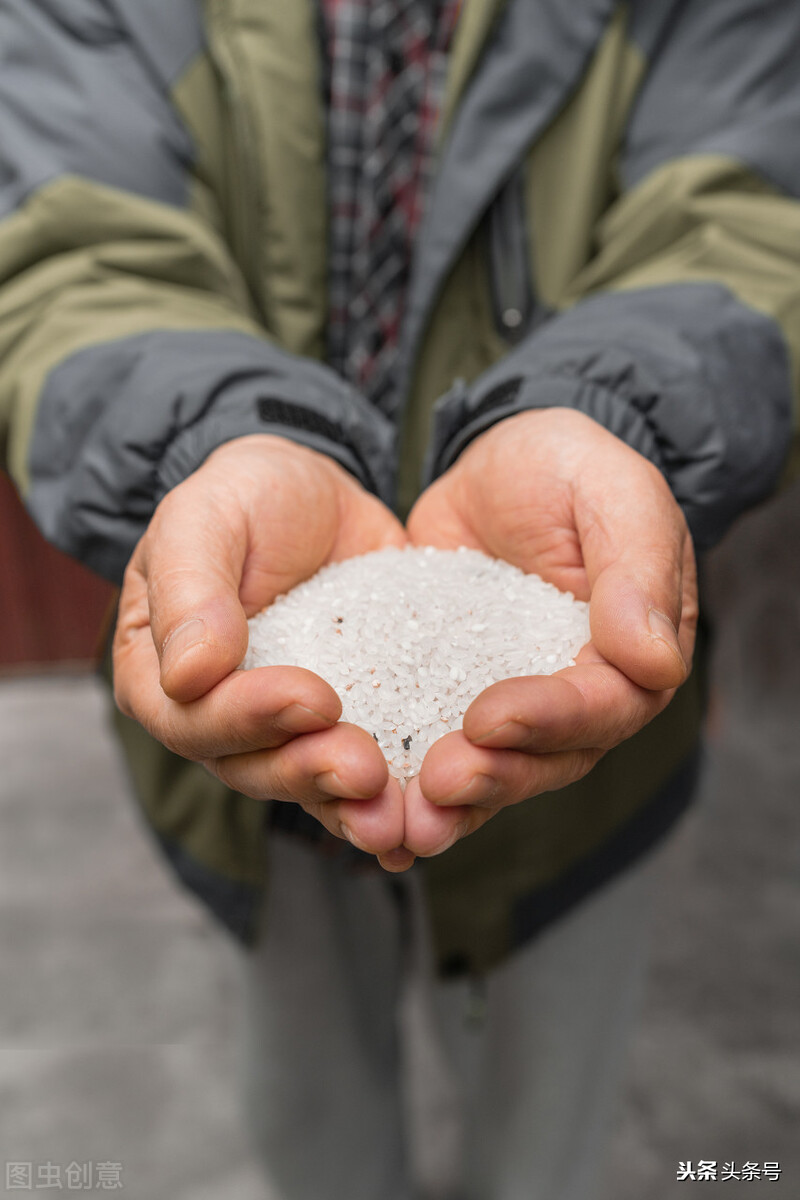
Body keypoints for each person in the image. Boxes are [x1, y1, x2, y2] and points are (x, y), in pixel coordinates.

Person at [1, 1, 799, 1197]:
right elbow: (72, 245)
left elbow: (749, 212)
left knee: (542, 1138)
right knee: (311, 1116)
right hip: (250, 736)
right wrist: (215, 442)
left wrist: (605, 415)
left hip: (579, 744)